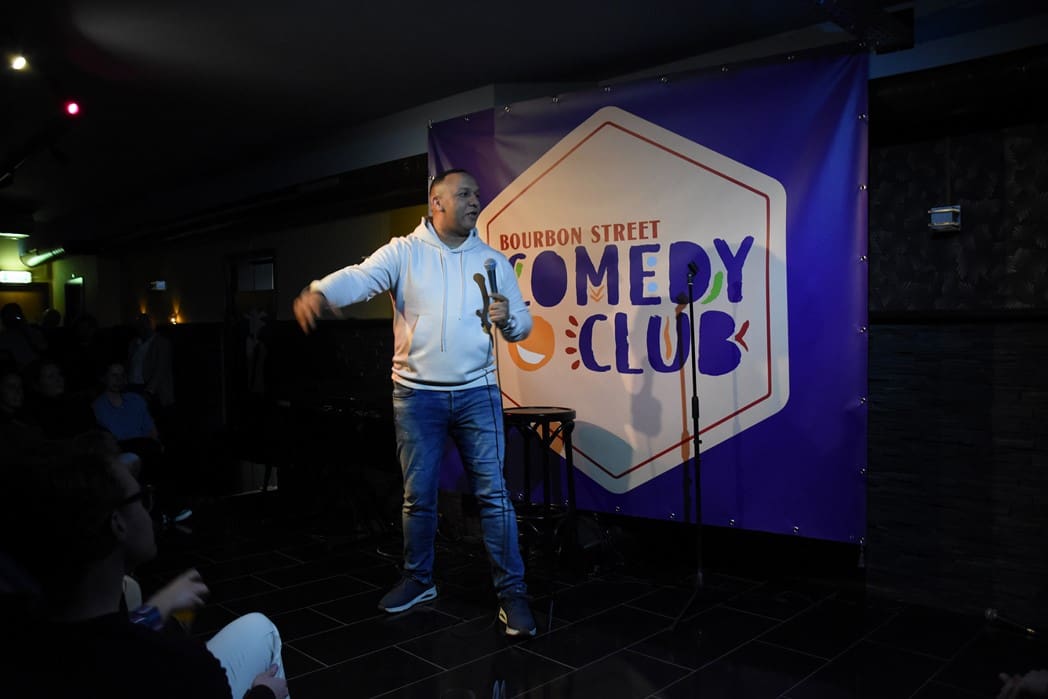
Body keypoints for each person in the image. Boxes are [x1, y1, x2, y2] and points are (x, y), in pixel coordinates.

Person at [292, 169, 537, 636]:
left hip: (478, 392)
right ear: (436, 203)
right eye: (464, 194)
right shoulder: (404, 252)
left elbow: (522, 325)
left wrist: (509, 320)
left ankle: (513, 594)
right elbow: (361, 278)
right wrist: (321, 291)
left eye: (477, 194)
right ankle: (419, 579)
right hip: (416, 395)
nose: (475, 200)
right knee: (418, 496)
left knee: (494, 496)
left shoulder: (492, 261)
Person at [0, 439, 289, 698]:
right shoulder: (180, 667)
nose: (148, 507)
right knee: (263, 635)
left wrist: (156, 609)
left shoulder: (21, 640)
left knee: (256, 627)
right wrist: (264, 693)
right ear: (117, 523)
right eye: (140, 497)